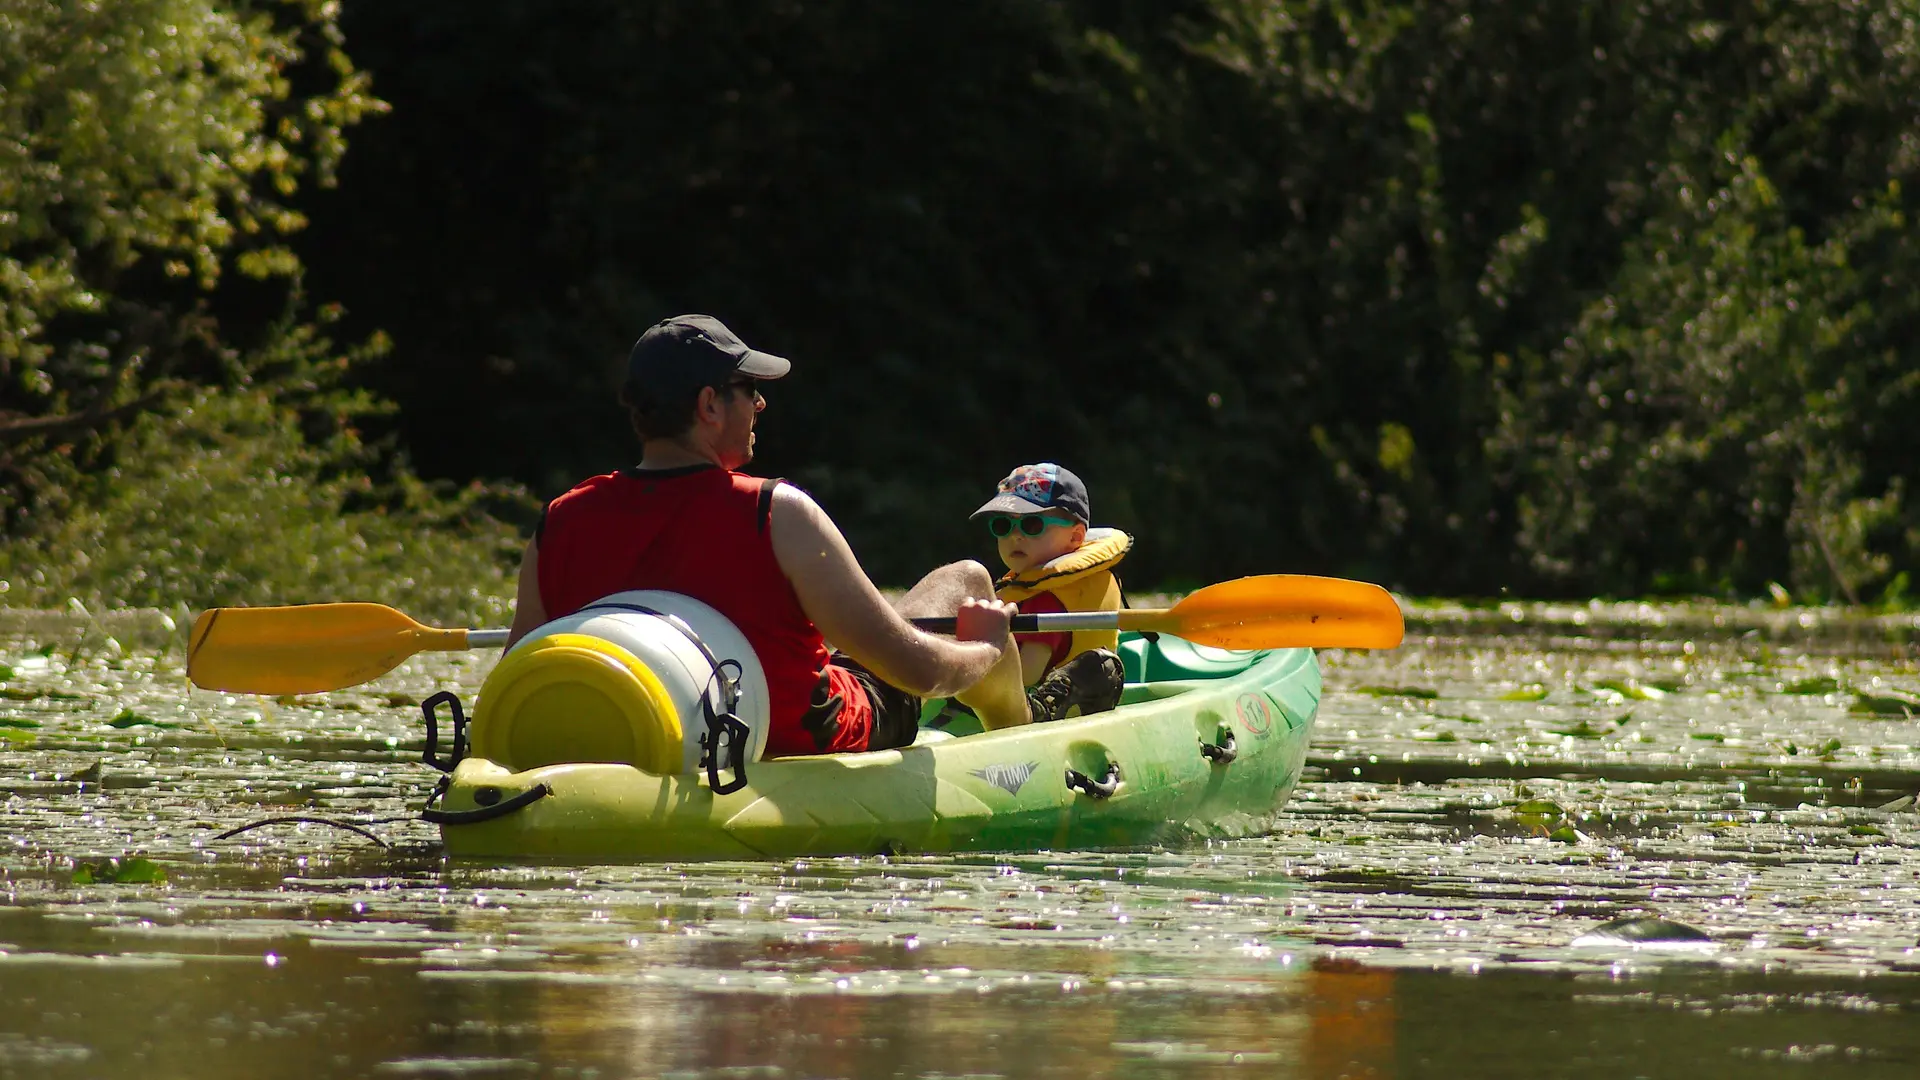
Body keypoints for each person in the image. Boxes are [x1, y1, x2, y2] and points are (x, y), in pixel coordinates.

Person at [505, 314, 1113, 755]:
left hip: (656, 734)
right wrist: (982, 647)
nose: (762, 407)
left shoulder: (557, 521)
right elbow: (914, 671)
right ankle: (1021, 733)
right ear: (710, 405)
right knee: (970, 580)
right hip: (811, 735)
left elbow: (519, 676)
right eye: (752, 391)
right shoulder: (776, 511)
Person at [971, 463, 1129, 723]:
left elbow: (1028, 674)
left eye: (1032, 525)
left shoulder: (1047, 600)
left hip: (1040, 709)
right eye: (1003, 525)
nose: (1015, 537)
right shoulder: (1028, 587)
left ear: (1075, 538)